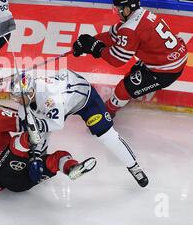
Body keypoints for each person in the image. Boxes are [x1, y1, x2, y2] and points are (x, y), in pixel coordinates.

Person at [10, 69, 149, 188]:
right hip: (65, 99)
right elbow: (33, 130)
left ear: (30, 92)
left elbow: (57, 124)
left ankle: (134, 166)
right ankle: (41, 157)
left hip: (86, 100)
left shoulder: (50, 97)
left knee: (107, 136)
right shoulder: (28, 98)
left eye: (18, 97)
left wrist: (36, 125)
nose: (16, 101)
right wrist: (36, 152)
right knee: (37, 127)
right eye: (15, 97)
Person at [72, 0, 188, 117]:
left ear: (127, 9)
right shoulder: (140, 14)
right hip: (170, 58)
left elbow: (117, 60)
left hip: (166, 70)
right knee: (131, 77)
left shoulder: (130, 28)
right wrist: (91, 41)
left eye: (118, 9)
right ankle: (123, 99)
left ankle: (107, 113)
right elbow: (112, 36)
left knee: (124, 88)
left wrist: (95, 48)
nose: (117, 12)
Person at [0, 96, 96, 192]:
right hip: (3, 166)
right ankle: (70, 166)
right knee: (26, 142)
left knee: (41, 160)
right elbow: (22, 123)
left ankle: (71, 168)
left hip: (8, 182)